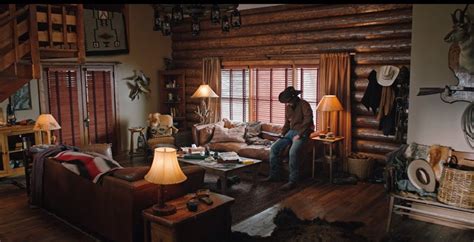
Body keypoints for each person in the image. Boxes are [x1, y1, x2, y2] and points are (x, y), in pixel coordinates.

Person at [263, 86, 314, 190]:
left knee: (293, 152)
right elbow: (287, 123)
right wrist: (283, 134)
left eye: (289, 101)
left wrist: (299, 134)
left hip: (303, 132)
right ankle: (274, 176)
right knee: (274, 148)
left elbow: (308, 120)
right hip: (290, 132)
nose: (287, 103)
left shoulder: (304, 104)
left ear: (294, 98)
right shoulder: (288, 107)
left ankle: (293, 181)